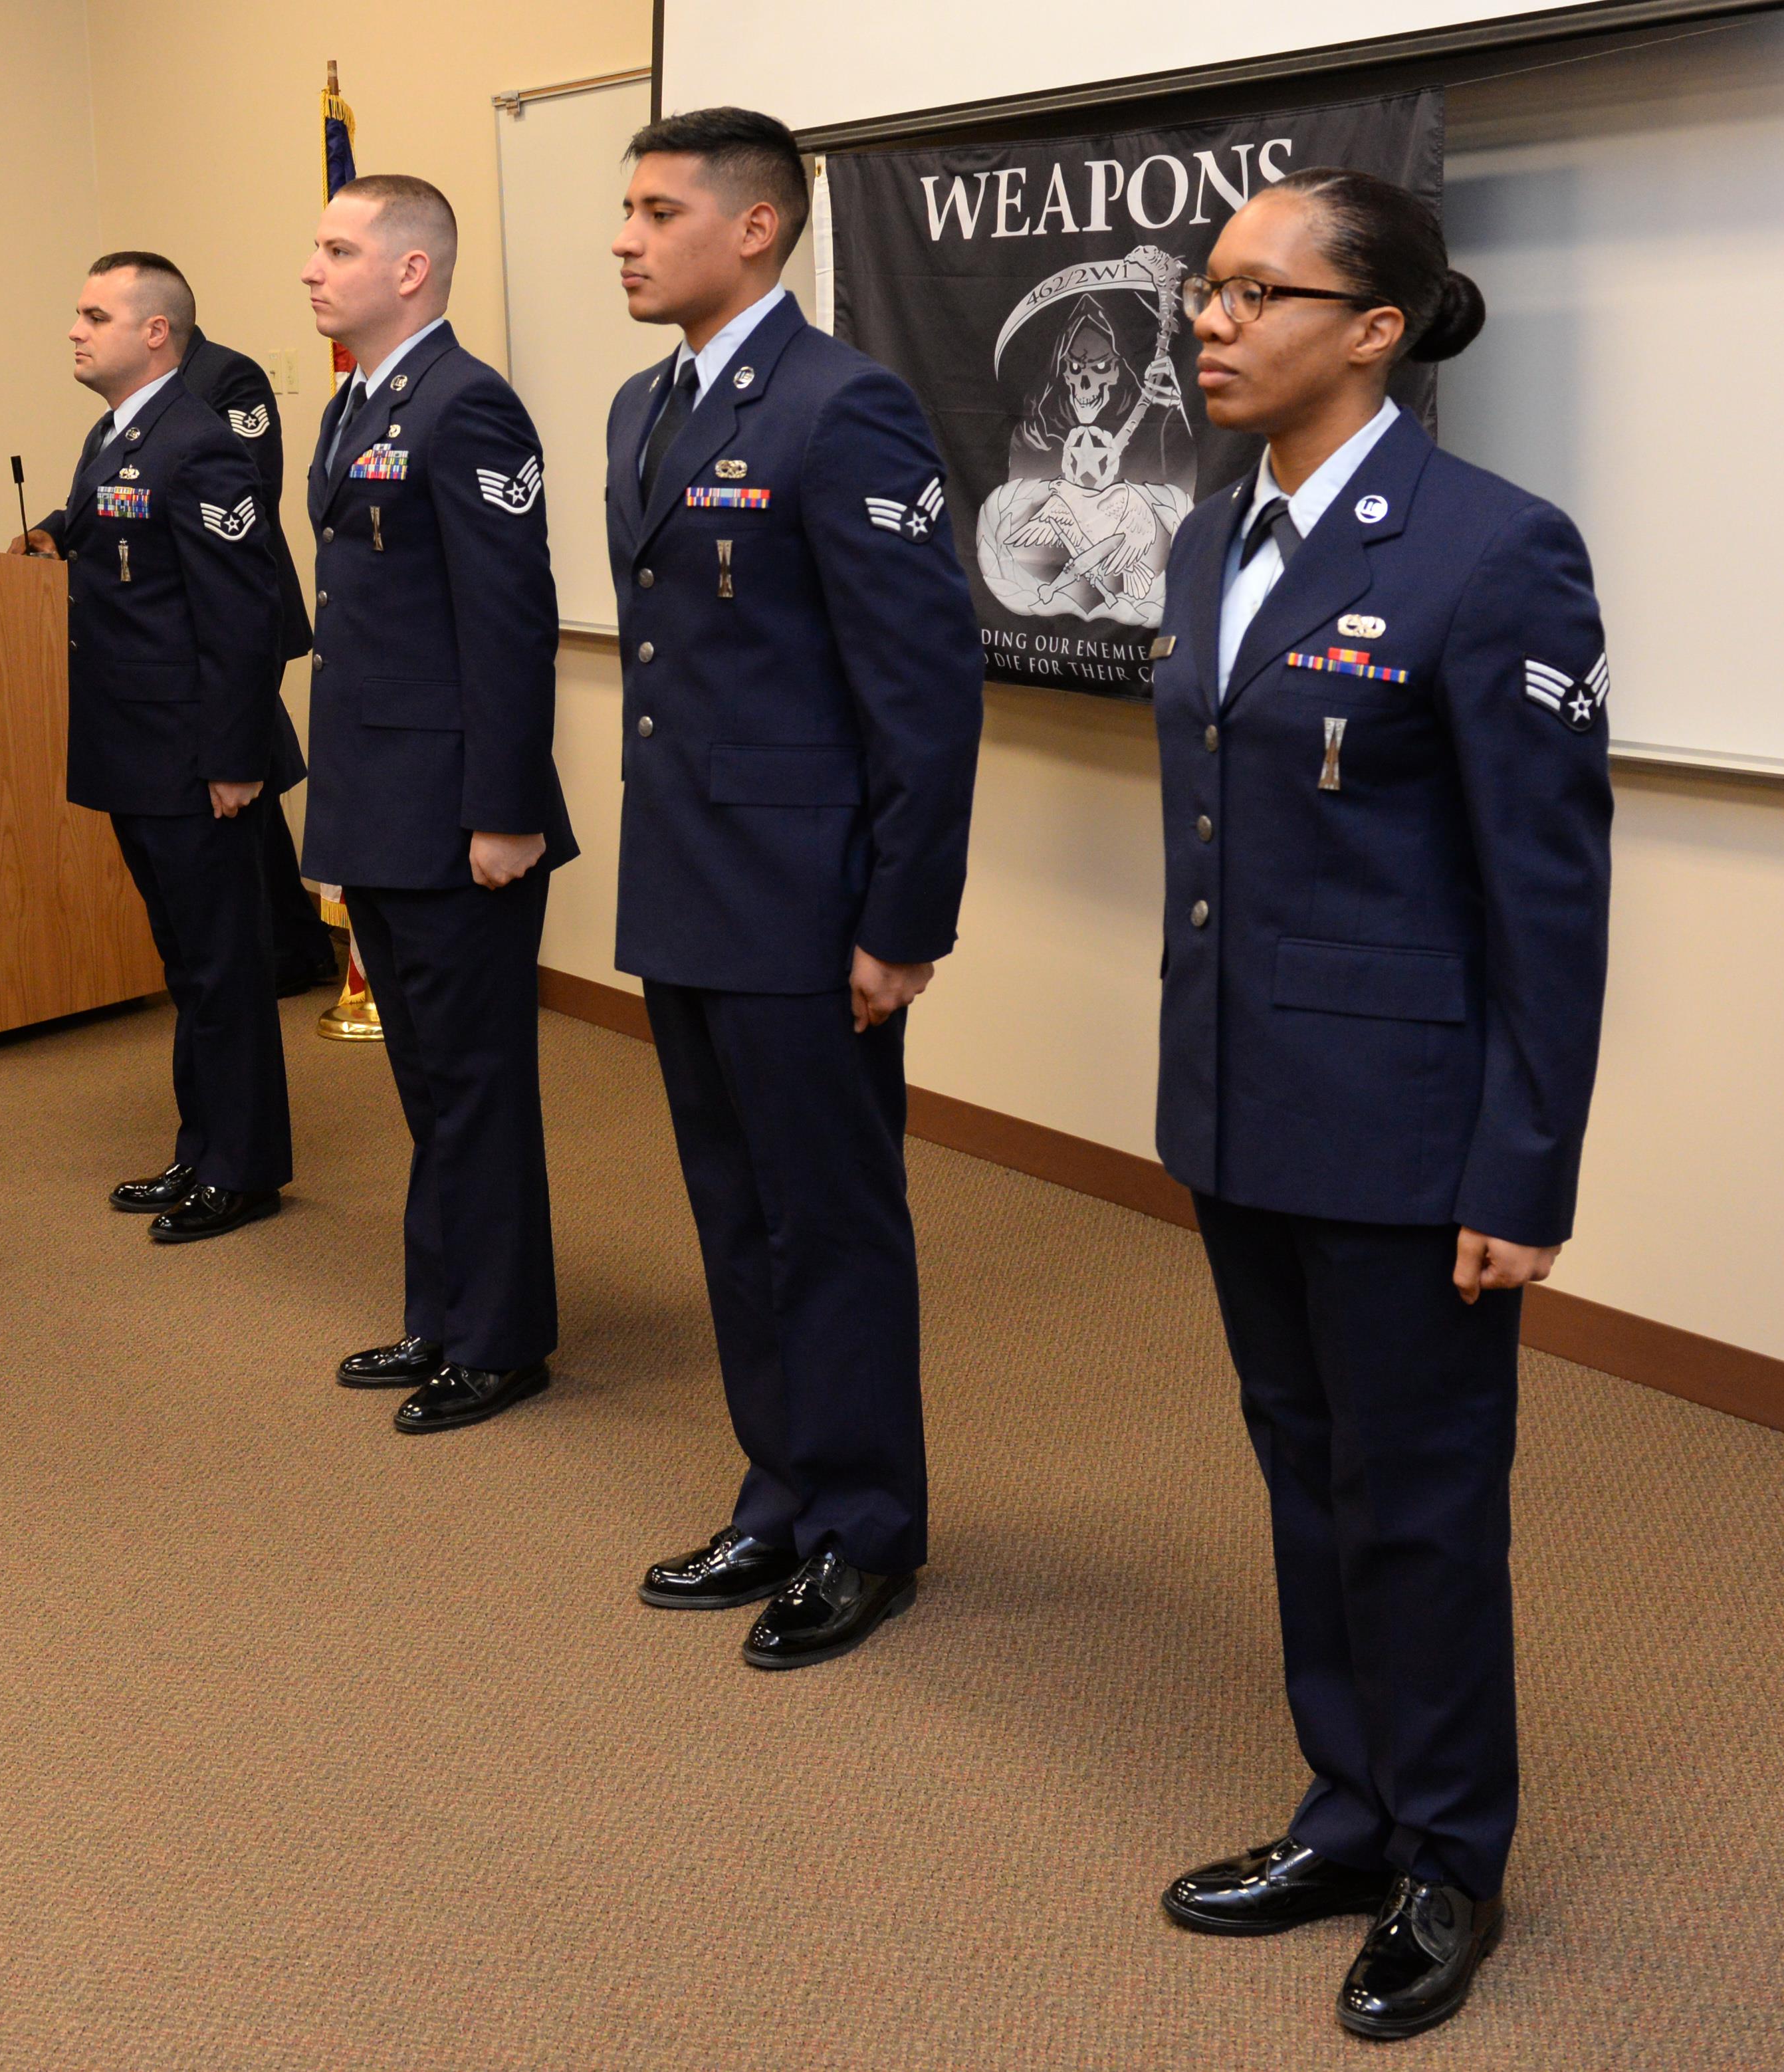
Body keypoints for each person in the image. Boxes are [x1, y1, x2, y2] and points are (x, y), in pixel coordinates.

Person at [1151, 168, 1611, 2041]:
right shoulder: (1210, 536)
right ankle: (1346, 1809)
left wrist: (1524, 1166)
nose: (1209, 320)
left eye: (1254, 291)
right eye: (1204, 286)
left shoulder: (1492, 552)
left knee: (1415, 1499)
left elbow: (1547, 899)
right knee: (1300, 1467)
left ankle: (1445, 1855)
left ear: (1374, 329)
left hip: (1407, 1128)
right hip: (1242, 1101)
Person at [606, 108, 984, 1670]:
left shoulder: (845, 406)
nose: (624, 238)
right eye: (625, 211)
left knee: (829, 1223)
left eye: (656, 211)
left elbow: (923, 688)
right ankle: (779, 1490)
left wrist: (902, 920)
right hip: (688, 881)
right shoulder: (646, 401)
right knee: (735, 1214)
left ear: (755, 226)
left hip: (803, 899)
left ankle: (866, 1526)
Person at [299, 173, 576, 1435]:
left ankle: (500, 1339)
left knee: (475, 1084)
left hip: (462, 813)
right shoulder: (357, 400)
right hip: (380, 801)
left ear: (411, 269)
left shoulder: (468, 406)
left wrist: (506, 810)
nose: (312, 269)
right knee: (425, 1082)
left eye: (337, 248)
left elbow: (510, 624)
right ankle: (442, 1311)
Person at [11, 252, 293, 1242]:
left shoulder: (199, 443)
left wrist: (235, 758)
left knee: (224, 967)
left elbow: (242, 615)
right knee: (187, 964)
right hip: (137, 747)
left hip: (194, 755)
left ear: (156, 333)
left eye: (96, 315)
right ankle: (201, 1148)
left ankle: (243, 1169)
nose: (76, 330)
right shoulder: (116, 432)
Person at [169, 279, 342, 995]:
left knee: (244, 773)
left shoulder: (228, 376)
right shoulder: (137, 399)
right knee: (245, 779)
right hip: (180, 618)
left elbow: (248, 488)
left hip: (239, 608)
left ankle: (285, 945)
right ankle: (287, 941)